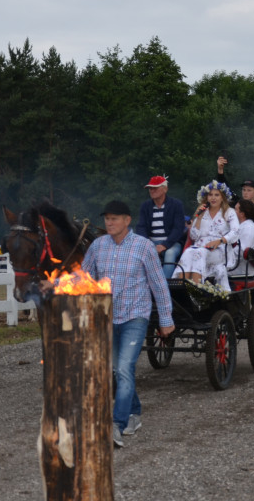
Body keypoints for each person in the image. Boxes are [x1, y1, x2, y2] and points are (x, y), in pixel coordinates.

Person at [81, 200, 174, 449]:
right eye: (107, 218)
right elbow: (84, 279)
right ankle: (134, 413)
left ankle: (116, 424)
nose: (109, 222)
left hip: (135, 316)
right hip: (107, 317)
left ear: (127, 221)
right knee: (117, 370)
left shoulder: (144, 247)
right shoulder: (97, 247)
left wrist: (166, 320)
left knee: (123, 368)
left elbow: (158, 284)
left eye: (114, 218)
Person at [174, 180, 240, 290]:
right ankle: (182, 288)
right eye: (210, 195)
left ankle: (196, 288)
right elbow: (194, 236)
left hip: (219, 249)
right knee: (188, 252)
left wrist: (220, 241)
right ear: (206, 197)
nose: (213, 198)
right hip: (200, 247)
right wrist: (198, 218)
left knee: (199, 252)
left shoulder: (229, 212)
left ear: (222, 197)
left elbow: (236, 231)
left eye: (217, 195)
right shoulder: (202, 212)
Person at [135, 175, 187, 278]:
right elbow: (141, 227)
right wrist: (148, 244)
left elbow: (178, 228)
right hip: (151, 242)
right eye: (150, 188)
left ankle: (164, 284)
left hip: (172, 243)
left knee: (170, 253)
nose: (152, 190)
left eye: (155, 188)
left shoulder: (176, 205)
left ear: (165, 189)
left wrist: (164, 245)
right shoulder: (145, 206)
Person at [215, 155, 254, 243]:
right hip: (234, 243)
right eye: (244, 190)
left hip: (253, 247)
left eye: (249, 190)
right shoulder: (236, 202)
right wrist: (220, 170)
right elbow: (225, 188)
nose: (245, 192)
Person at [229, 199, 254, 282]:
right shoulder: (243, 226)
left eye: (235, 209)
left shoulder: (248, 228)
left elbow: (243, 251)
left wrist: (225, 255)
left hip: (247, 270)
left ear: (242, 214)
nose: (232, 212)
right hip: (242, 267)